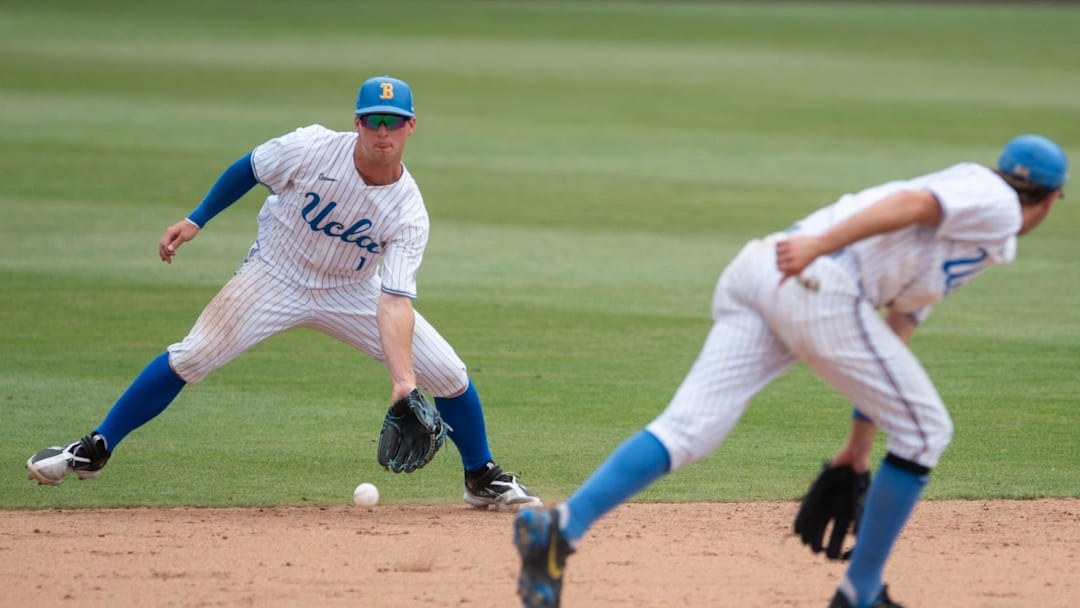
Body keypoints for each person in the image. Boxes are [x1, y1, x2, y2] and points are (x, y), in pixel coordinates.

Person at [513, 134, 1068, 608]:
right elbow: (914, 201)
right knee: (928, 431)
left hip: (765, 270)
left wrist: (857, 447)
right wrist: (820, 247)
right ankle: (861, 591)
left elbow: (896, 327)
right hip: (814, 274)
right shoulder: (994, 200)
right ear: (1049, 199)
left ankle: (560, 530)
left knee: (689, 429)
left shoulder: (980, 235)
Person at [26, 75, 541, 513]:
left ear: (410, 127)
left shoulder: (408, 209)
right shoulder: (311, 146)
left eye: (393, 121)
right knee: (195, 354)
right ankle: (94, 448)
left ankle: (480, 478)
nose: (382, 131)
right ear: (358, 122)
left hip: (350, 290)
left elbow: (395, 300)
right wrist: (196, 219)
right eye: (372, 120)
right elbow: (248, 168)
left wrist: (404, 382)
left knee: (448, 373)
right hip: (275, 274)